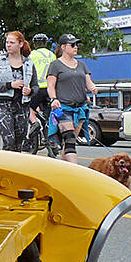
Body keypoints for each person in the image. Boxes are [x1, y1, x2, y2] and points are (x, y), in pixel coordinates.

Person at [46, 34, 96, 165]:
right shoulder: (55, 65)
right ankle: (76, 169)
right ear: (63, 47)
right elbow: (50, 85)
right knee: (69, 139)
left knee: (70, 143)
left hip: (79, 108)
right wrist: (54, 99)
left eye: (77, 45)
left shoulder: (82, 65)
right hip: (62, 107)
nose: (76, 47)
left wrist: (93, 88)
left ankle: (63, 171)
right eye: (72, 45)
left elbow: (88, 82)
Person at [0, 31, 40, 153]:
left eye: (11, 42)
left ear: (20, 44)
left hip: (22, 105)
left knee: (20, 142)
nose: (8, 45)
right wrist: (10, 85)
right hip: (4, 103)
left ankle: (14, 168)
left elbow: (36, 86)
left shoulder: (29, 63)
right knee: (9, 141)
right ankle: (5, 168)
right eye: (7, 42)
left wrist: (30, 91)